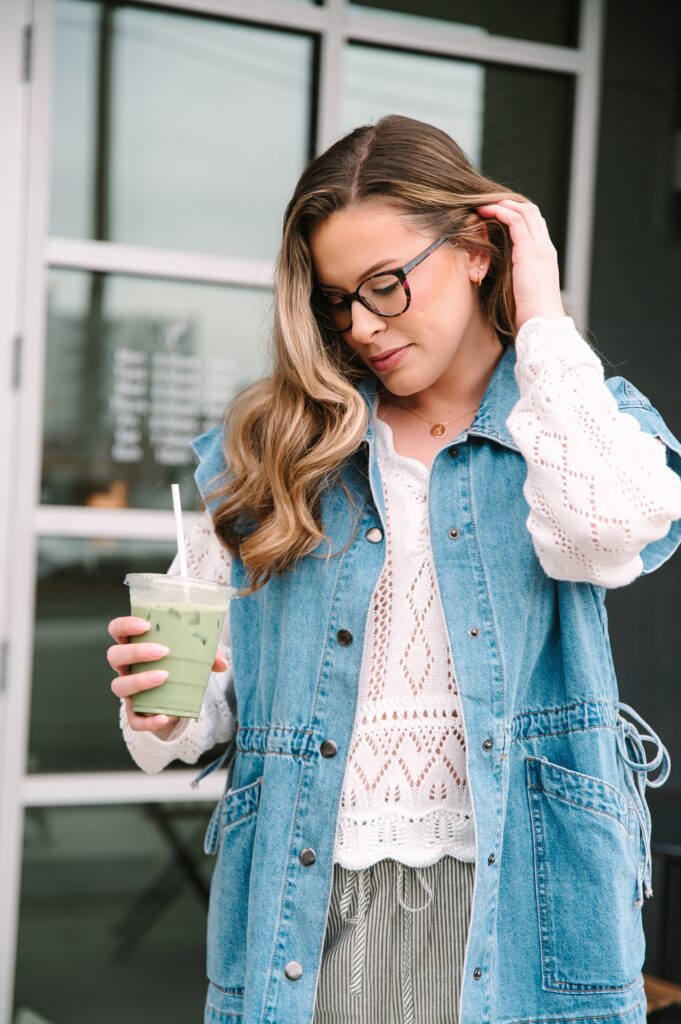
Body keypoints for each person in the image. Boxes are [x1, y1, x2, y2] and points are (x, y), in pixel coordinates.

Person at [106, 115, 681, 1024]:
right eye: (337, 300)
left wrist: (542, 318)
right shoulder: (273, 449)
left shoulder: (574, 425)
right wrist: (161, 700)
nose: (362, 327)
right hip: (311, 904)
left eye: (385, 286)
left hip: (522, 898)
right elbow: (186, 722)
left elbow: (610, 531)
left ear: (475, 251)